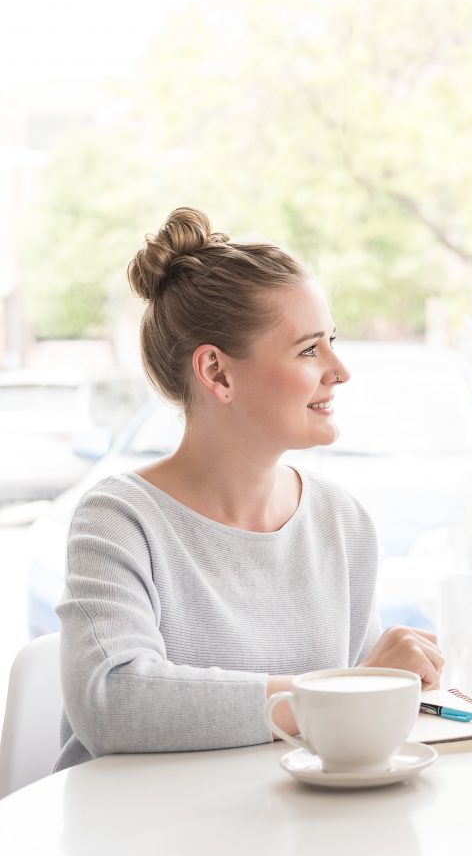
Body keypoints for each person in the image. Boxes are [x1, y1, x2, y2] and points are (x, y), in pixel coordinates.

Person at [54, 208, 444, 770]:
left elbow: (352, 726)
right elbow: (114, 701)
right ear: (217, 373)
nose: (340, 369)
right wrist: (340, 693)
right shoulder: (118, 519)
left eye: (331, 341)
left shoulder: (342, 521)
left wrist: (384, 690)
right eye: (310, 349)